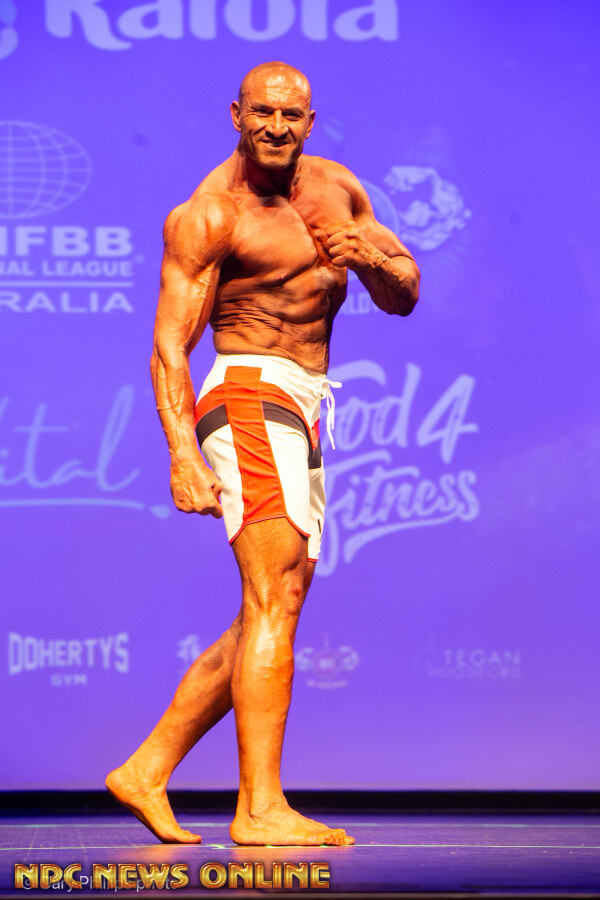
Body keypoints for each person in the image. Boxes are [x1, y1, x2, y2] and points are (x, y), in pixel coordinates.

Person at [106, 61, 419, 847]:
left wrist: (370, 259)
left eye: (291, 115)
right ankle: (259, 808)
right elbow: (169, 345)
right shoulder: (211, 215)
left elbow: (405, 292)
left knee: (271, 602)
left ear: (310, 121)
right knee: (274, 596)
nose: (276, 127)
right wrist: (182, 453)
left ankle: (147, 768)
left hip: (307, 401)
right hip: (248, 391)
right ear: (237, 115)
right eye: (262, 113)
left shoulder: (339, 188)